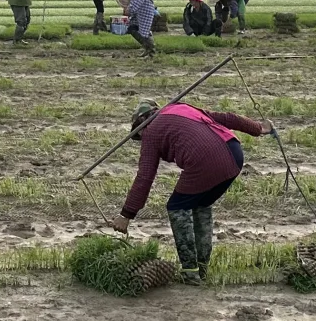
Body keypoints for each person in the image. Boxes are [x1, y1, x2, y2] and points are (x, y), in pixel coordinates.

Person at [111, 100, 268, 284]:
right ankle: (201, 270)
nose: (142, 138)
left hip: (204, 160)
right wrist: (258, 128)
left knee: (177, 207)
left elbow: (145, 177)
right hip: (234, 154)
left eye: (140, 135)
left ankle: (190, 272)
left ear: (142, 124)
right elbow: (227, 118)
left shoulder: (151, 132)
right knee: (201, 204)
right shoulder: (182, 108)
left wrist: (126, 214)